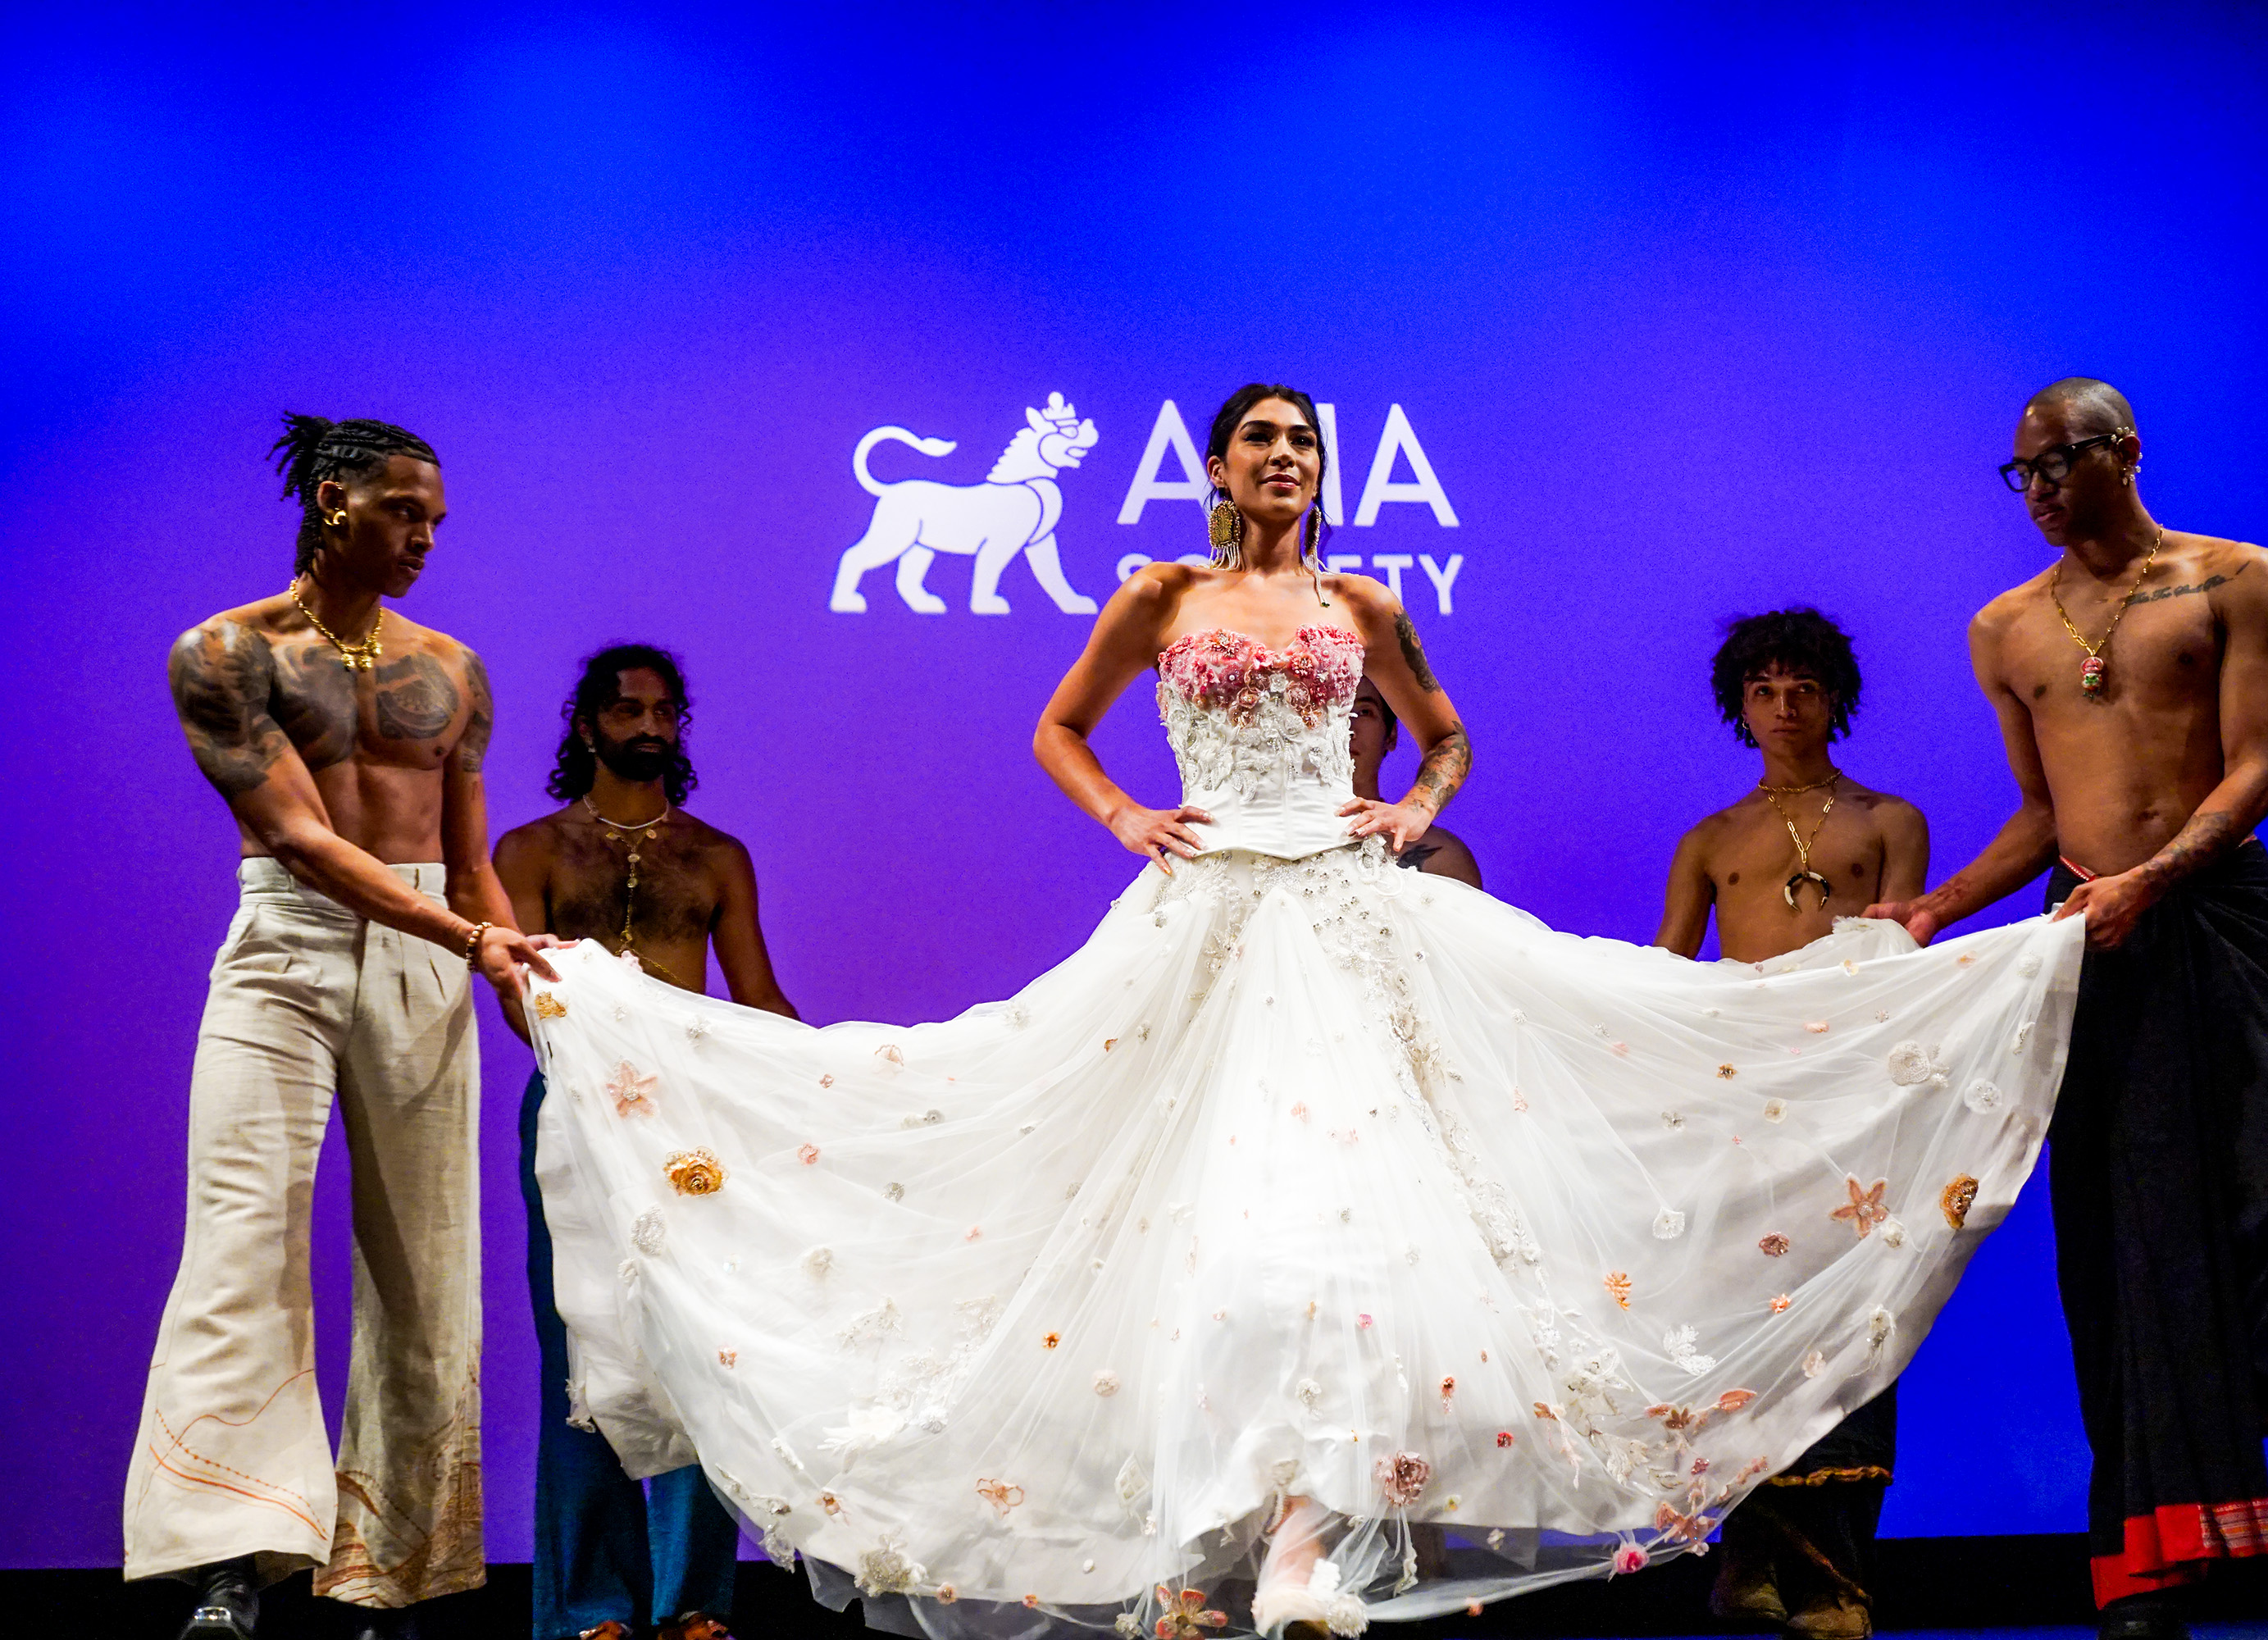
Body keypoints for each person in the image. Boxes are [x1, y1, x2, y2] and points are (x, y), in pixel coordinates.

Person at [520, 383, 2087, 1640]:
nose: (1287, 460)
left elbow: (1448, 739)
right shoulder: (1162, 593)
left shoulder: (1363, 598)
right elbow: (1060, 729)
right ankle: (1207, 1539)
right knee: (1199, 1227)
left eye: (1306, 445)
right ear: (1216, 465)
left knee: (1347, 1227)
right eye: (1263, 439)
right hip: (1205, 917)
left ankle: (1306, 1541)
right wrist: (1131, 818)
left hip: (1340, 919)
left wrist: (1414, 810)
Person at [1868, 378, 2268, 1638]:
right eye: (2017, 475)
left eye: (2054, 466)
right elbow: (2042, 814)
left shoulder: (2236, 579)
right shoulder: (2006, 629)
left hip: (2222, 921)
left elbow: (2259, 769)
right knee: (2131, 1245)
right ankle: (2148, 1570)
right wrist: (1942, 906)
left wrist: (2153, 878)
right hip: (2092, 943)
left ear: (2122, 453)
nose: (2032, 492)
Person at [127, 416, 554, 1640]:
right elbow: (308, 841)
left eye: (434, 519)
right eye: (401, 512)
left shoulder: (455, 670)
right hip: (287, 946)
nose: (422, 537)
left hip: (432, 949)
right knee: (241, 1239)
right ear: (332, 502)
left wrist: (535, 1007)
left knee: (428, 1269)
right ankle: (234, 1553)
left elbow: (471, 868)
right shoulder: (224, 652)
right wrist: (468, 941)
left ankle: (396, 1572)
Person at [495, 645, 799, 1640]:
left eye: (668, 711)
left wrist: (840, 1075)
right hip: (577, 1115)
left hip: (693, 1121)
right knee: (582, 1349)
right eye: (629, 710)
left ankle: (696, 1600)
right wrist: (603, 1059)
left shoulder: (716, 855)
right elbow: (518, 996)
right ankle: (591, 1605)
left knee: (701, 1346)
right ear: (586, 725)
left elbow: (755, 998)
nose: (652, 726)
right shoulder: (530, 850)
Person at [1654, 608, 1925, 1640]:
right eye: (1762, 688)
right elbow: (1668, 978)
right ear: (1739, 704)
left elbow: (1898, 969)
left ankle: (1839, 1583)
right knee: (1750, 1323)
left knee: (1856, 1328)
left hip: (1851, 1106)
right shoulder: (1711, 839)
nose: (1783, 705)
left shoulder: (1889, 820)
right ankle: (1753, 1561)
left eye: (1801, 686)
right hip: (1743, 1111)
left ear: (1833, 696)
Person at [1346, 674, 1481, 886]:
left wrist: (1416, 809)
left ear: (1391, 735)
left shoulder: (1443, 859)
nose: (1347, 727)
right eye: (1334, 713)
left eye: (1364, 712)